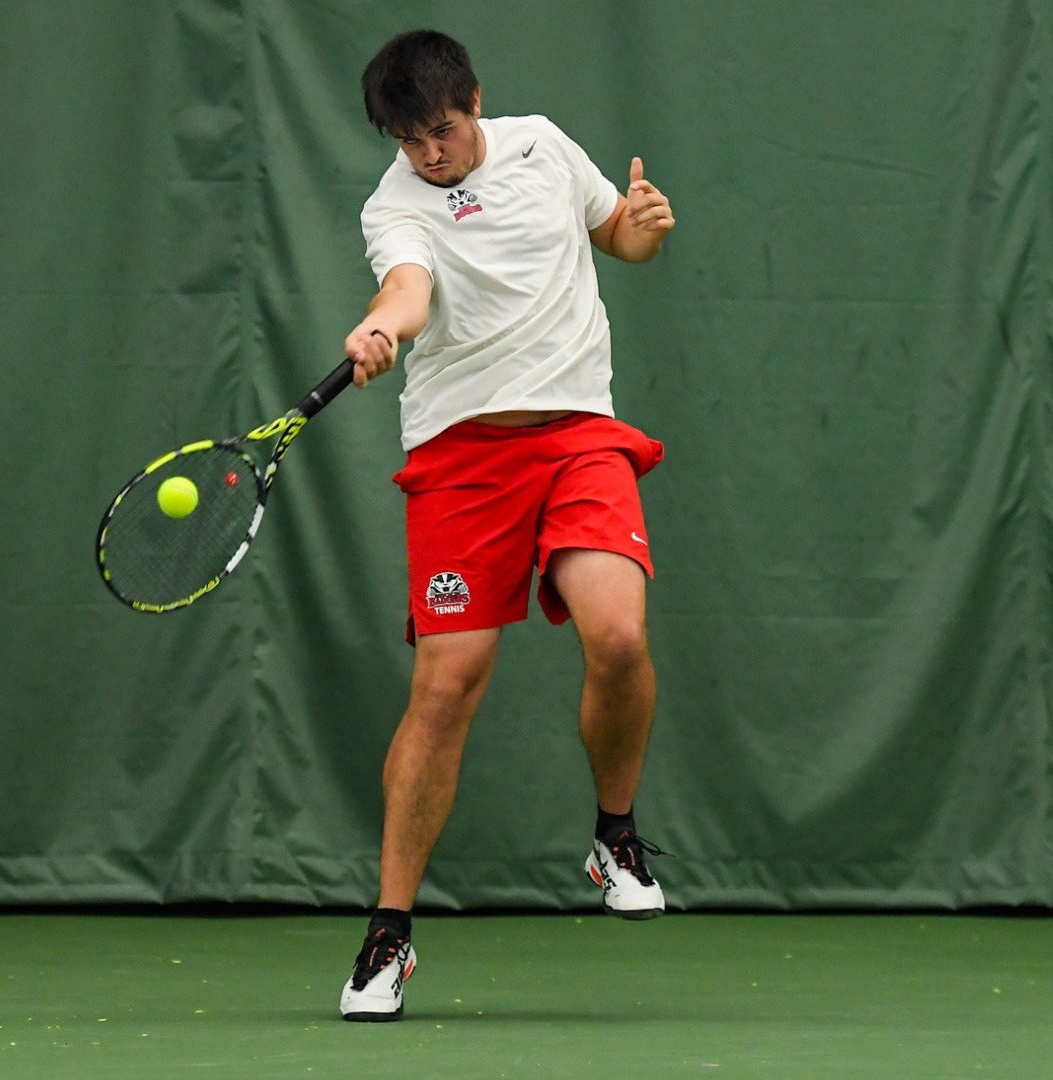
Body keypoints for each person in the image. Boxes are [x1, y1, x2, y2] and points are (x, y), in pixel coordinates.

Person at [336, 29, 677, 1023]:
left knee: (619, 635)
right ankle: (390, 932)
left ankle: (615, 834)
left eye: (440, 131)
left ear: (475, 102)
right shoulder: (395, 205)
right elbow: (407, 289)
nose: (428, 154)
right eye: (409, 140)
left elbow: (619, 238)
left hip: (577, 436)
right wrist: (382, 327)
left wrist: (644, 225)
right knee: (447, 686)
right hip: (462, 456)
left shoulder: (543, 145)